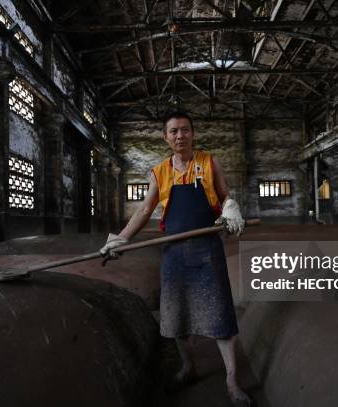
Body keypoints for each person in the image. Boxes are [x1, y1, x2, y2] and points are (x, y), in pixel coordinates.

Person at [100, 111, 251, 406]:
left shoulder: (209, 163)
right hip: (175, 255)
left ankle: (232, 381)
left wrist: (231, 206)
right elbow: (145, 210)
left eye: (184, 130)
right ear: (165, 137)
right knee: (177, 316)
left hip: (208, 249)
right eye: (173, 131)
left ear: (193, 133)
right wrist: (121, 238)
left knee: (221, 317)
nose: (180, 135)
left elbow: (224, 195)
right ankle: (188, 367)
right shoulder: (160, 171)